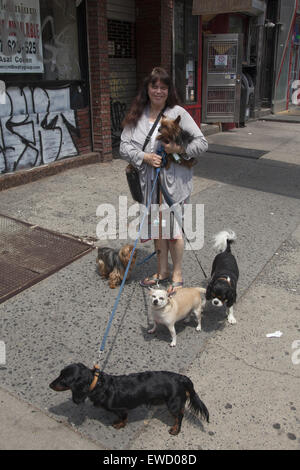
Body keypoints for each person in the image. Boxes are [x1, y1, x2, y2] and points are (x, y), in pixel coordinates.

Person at [120, 67, 208, 292]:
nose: (158, 91)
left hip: (174, 186)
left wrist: (178, 149)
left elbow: (201, 144)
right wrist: (144, 157)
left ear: (169, 90)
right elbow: (124, 146)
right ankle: (162, 271)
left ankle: (177, 275)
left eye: (163, 87)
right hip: (149, 185)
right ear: (147, 88)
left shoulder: (178, 112)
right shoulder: (138, 113)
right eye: (154, 86)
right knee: (159, 228)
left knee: (174, 230)